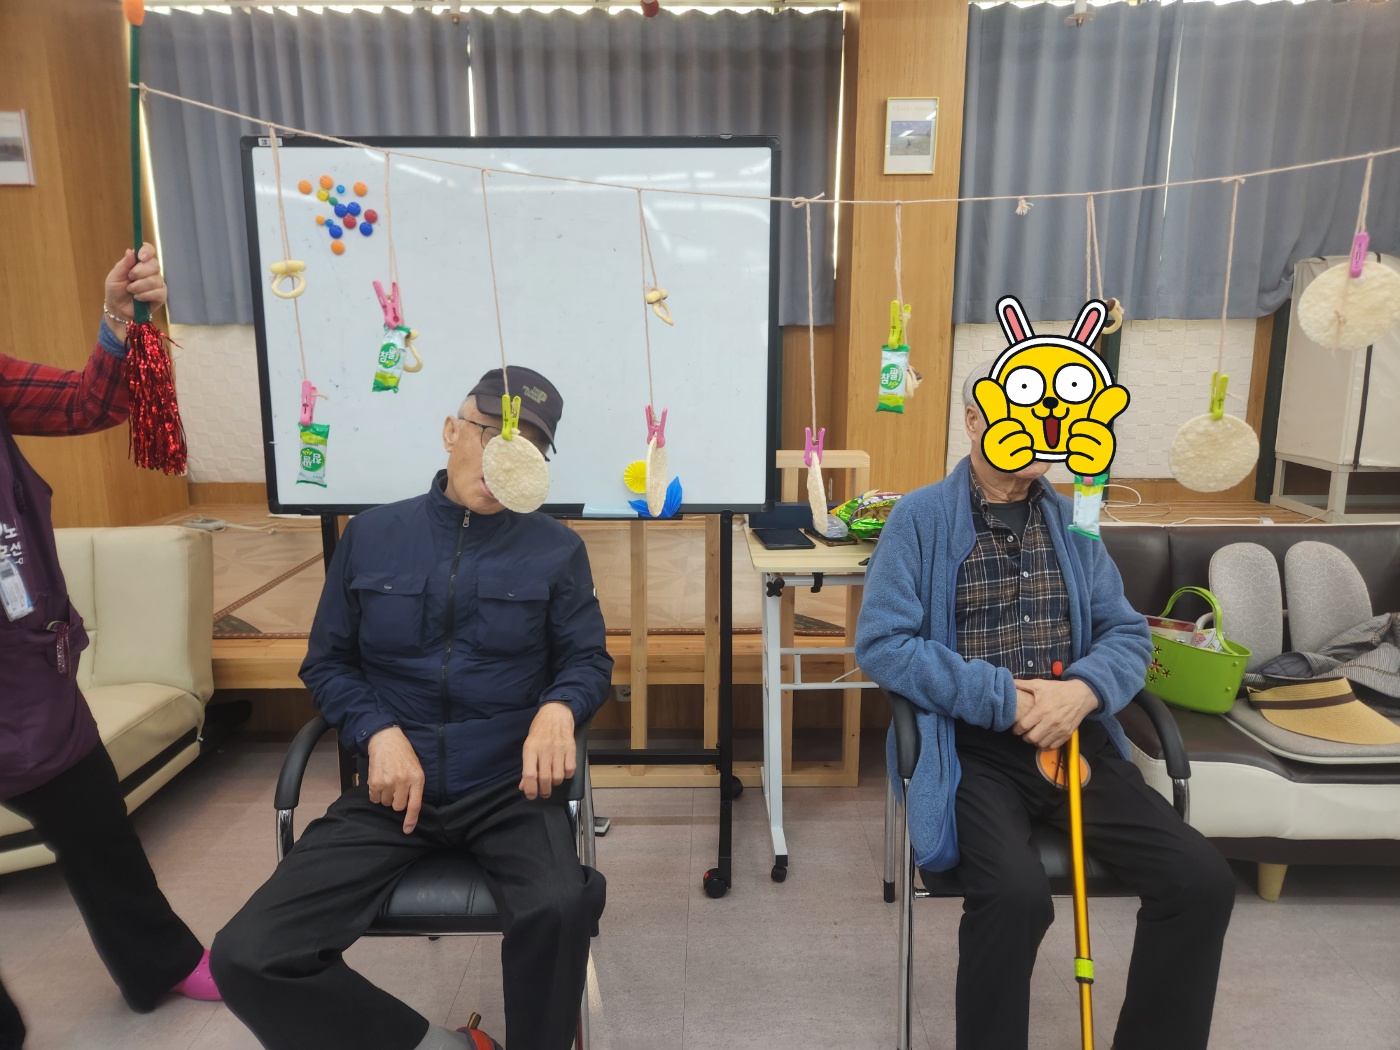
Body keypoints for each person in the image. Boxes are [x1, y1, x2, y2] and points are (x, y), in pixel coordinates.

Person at [211, 367, 612, 1050]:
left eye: (527, 448)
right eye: (490, 434)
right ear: (452, 432)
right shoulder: (372, 535)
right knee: (247, 955)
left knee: (560, 906)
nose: (504, 458)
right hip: (392, 789)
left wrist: (559, 708)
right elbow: (328, 663)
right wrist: (375, 731)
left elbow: (587, 660)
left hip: (507, 787)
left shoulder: (556, 549)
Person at [855, 362, 1236, 1050]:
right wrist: (1001, 698)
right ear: (975, 420)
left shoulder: (1072, 519)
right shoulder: (920, 517)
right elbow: (884, 643)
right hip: (971, 748)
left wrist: (1083, 691)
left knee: (1201, 881)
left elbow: (1126, 633)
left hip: (1074, 738)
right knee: (1015, 895)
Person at [0, 245, 220, 1050]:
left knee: (96, 825)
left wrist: (119, 320)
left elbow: (87, 402)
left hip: (22, 671)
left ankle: (160, 961)